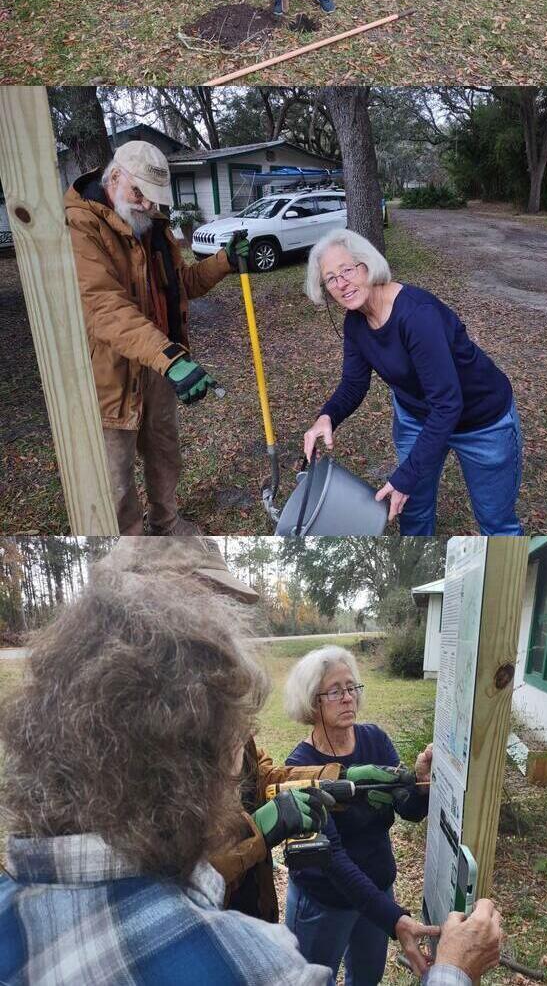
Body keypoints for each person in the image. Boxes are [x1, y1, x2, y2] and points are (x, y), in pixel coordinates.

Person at [0, 568, 331, 985]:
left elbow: (264, 770)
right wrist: (255, 833)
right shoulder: (262, 968)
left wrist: (338, 774)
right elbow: (168, 885)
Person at [93, 537, 353, 922]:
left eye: (222, 607)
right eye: (201, 602)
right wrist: (256, 835)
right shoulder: (112, 728)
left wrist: (338, 777)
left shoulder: (210, 694)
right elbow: (160, 885)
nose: (219, 624)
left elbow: (259, 776)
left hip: (248, 907)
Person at [66, 141, 247, 535]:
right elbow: (103, 307)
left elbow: (177, 286)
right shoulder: (80, 224)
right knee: (116, 472)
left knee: (164, 450)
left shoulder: (153, 227)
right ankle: (132, 548)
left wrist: (223, 262)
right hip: (110, 372)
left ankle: (166, 523)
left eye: (154, 200)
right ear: (114, 178)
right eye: (140, 194)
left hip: (160, 363)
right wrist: (171, 357)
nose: (149, 206)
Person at [302, 229, 523, 536]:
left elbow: (448, 405)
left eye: (347, 270)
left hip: (481, 422)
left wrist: (406, 476)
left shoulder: (418, 315)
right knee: (413, 513)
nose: (341, 284)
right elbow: (354, 384)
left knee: (496, 523)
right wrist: (326, 417)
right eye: (330, 278)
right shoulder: (355, 323)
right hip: (418, 418)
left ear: (367, 265)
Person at [282, 644, 438, 983]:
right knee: (311, 980)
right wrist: (394, 919)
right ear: (312, 702)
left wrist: (421, 781)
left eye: (351, 687)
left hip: (377, 892)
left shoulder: (375, 740)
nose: (348, 698)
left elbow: (407, 808)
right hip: (323, 902)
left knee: (366, 979)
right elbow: (331, 856)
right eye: (335, 691)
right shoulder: (299, 768)